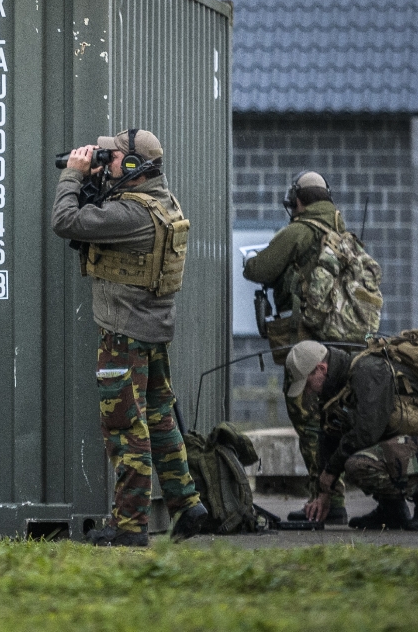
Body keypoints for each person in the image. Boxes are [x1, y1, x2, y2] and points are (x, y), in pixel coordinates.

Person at [52, 128, 211, 547]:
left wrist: (71, 175)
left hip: (124, 335)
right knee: (159, 420)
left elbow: (65, 222)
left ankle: (131, 526)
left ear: (137, 167)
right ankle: (187, 506)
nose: (107, 162)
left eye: (115, 157)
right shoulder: (162, 202)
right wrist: (98, 179)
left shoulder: (131, 215)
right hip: (152, 331)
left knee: (125, 429)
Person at [240, 170, 351, 525]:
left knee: (308, 421)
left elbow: (260, 268)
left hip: (308, 344)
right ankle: (331, 499)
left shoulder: (301, 231)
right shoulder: (342, 234)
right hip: (340, 345)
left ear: (299, 200)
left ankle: (326, 502)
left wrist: (252, 262)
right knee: (330, 420)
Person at [289, 339, 418, 531]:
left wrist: (331, 471)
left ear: (321, 369)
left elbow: (366, 433)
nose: (308, 391)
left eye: (308, 383)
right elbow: (330, 435)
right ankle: (392, 510)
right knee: (353, 456)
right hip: (406, 447)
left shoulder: (368, 371)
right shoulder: (334, 386)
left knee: (357, 464)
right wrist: (324, 493)